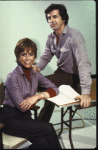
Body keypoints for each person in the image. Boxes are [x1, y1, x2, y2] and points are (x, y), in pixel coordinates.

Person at [33, 4, 92, 122]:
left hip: (73, 77)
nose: (51, 21)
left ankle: (39, 125)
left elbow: (83, 64)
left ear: (63, 18)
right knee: (39, 85)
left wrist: (85, 93)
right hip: (60, 73)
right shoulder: (51, 37)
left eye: (55, 17)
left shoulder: (74, 36)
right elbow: (45, 57)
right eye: (49, 18)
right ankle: (41, 124)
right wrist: (36, 68)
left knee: (39, 84)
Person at [1, 38, 62, 149]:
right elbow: (22, 107)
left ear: (34, 57)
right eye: (23, 54)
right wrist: (38, 98)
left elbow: (55, 89)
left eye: (31, 54)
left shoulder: (35, 74)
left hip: (25, 118)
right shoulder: (12, 77)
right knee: (48, 128)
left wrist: (37, 96)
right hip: (10, 119)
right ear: (18, 57)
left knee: (44, 142)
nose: (27, 58)